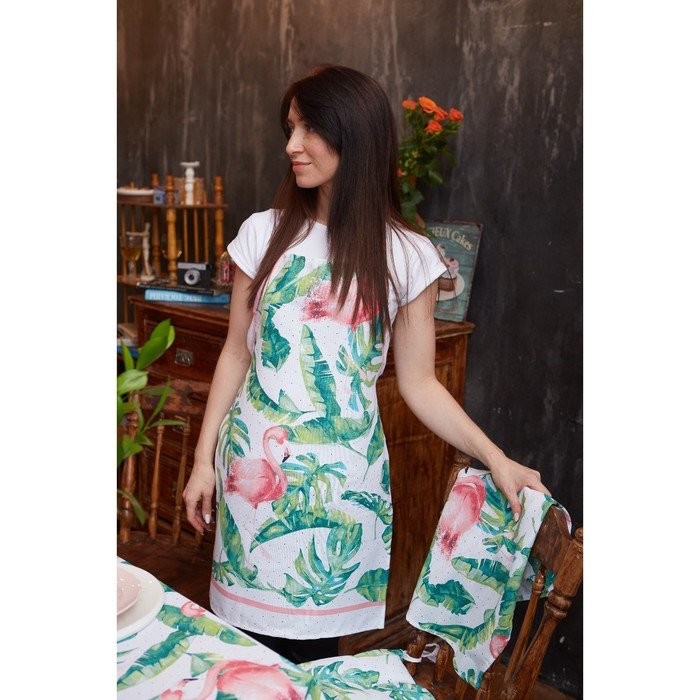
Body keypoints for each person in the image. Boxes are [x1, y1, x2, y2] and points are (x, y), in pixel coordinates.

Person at [183, 64, 549, 663]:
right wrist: (202, 461)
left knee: (313, 658)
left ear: (353, 135)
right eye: (290, 128)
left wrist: (496, 457)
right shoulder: (262, 233)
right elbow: (235, 352)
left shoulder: (406, 255)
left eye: (309, 129)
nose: (291, 145)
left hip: (340, 491)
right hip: (253, 476)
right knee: (243, 654)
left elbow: (420, 383)